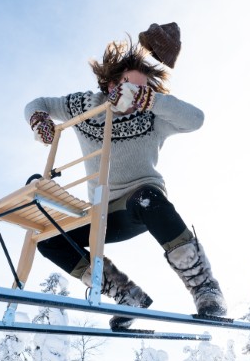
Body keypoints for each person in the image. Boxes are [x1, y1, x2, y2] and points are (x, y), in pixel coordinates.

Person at [23, 22, 228, 330]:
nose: (135, 96)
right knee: (49, 239)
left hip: (139, 207)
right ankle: (126, 294)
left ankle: (204, 287)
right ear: (111, 85)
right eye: (130, 87)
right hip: (99, 212)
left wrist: (152, 101)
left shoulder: (152, 117)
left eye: (143, 90)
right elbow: (38, 104)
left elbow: (196, 120)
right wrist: (39, 120)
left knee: (146, 198)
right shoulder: (85, 106)